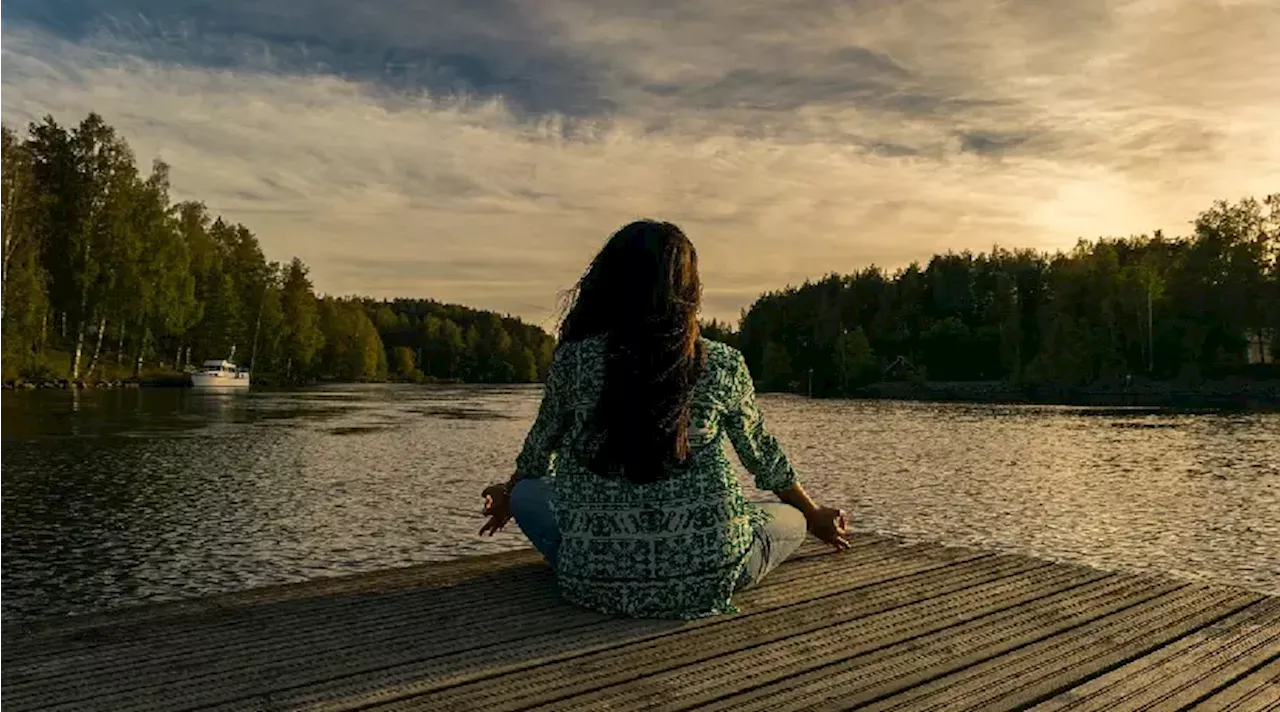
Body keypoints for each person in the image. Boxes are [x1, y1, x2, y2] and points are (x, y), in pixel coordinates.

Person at [479, 220, 850, 620]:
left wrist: (508, 493)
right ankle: (725, 543)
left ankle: (599, 558)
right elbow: (763, 456)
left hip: (593, 580)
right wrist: (813, 514)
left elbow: (538, 451)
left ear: (608, 284)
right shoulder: (721, 363)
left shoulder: (574, 361)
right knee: (789, 517)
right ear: (688, 290)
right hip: (710, 575)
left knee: (528, 493)